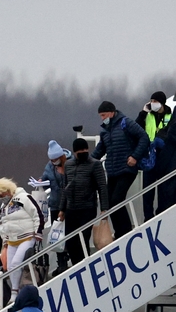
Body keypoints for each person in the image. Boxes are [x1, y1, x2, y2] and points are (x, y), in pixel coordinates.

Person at [92, 100, 149, 238]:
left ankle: (125, 231)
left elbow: (144, 137)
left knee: (117, 199)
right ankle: (119, 231)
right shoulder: (105, 131)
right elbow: (99, 150)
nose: (102, 118)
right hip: (112, 170)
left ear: (112, 112)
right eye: (101, 116)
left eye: (104, 115)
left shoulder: (126, 123)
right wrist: (85, 162)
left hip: (126, 168)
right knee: (108, 202)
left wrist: (135, 156)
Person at [58, 138, 108, 267]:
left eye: (84, 150)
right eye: (80, 151)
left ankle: (85, 265)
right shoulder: (68, 165)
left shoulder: (95, 164)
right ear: (74, 152)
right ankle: (76, 266)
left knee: (83, 239)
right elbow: (65, 187)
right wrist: (62, 209)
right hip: (71, 208)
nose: (83, 152)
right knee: (70, 242)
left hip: (87, 208)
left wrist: (104, 208)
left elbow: (102, 186)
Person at [0, 177, 43, 303]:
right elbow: (5, 224)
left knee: (16, 263)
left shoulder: (24, 198)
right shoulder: (4, 206)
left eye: (2, 194)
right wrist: (5, 241)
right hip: (12, 240)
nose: (1, 197)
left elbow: (37, 214)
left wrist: (38, 232)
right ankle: (15, 290)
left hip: (27, 236)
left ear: (8, 190)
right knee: (10, 267)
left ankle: (15, 292)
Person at [137, 91, 171, 220]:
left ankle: (161, 214)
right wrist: (143, 113)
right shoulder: (148, 115)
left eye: (155, 101)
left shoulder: (169, 115)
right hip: (149, 155)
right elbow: (137, 126)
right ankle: (148, 217)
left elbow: (170, 131)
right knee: (147, 190)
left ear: (161, 102)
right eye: (151, 101)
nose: (152, 103)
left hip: (163, 155)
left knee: (163, 189)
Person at [41, 140, 71, 275]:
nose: (54, 162)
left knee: (70, 233)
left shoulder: (71, 163)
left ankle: (71, 256)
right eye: (51, 159)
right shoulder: (50, 167)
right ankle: (61, 263)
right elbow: (46, 180)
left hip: (70, 205)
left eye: (55, 159)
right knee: (57, 236)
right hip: (55, 205)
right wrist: (42, 181)